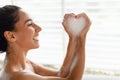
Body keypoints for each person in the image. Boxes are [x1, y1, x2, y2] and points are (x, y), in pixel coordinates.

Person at [0, 5, 91, 80]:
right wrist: (81, 37)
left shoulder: (25, 63)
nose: (39, 28)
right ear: (11, 36)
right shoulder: (19, 76)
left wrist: (73, 38)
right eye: (30, 24)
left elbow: (62, 74)